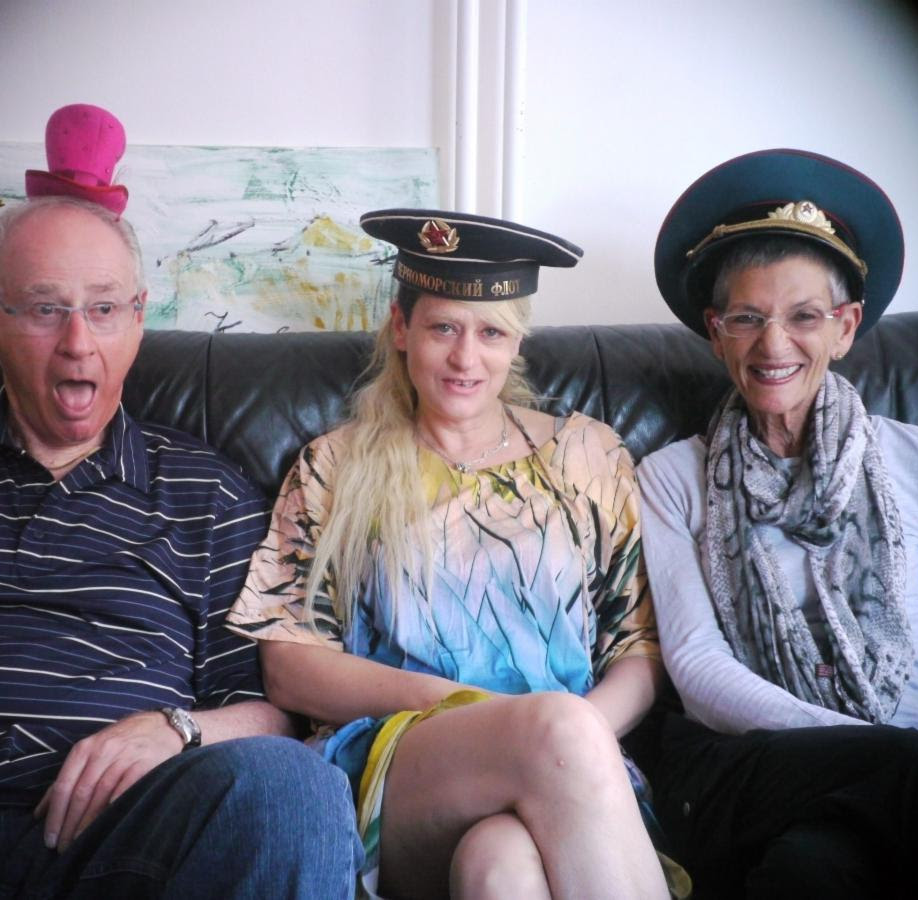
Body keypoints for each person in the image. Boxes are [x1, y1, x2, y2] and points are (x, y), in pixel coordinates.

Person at [0, 189, 362, 897]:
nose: (78, 342)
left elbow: (272, 712)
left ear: (138, 318)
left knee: (295, 786)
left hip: (119, 840)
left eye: (103, 309)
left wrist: (176, 730)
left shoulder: (210, 496)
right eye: (45, 309)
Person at [227, 209, 689, 899]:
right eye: (443, 327)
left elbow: (642, 646)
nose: (466, 357)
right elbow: (289, 665)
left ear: (517, 343)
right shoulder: (337, 465)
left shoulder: (586, 455)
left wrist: (574, 743)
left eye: (491, 333)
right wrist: (470, 708)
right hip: (404, 765)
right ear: (401, 329)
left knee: (501, 871)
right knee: (552, 728)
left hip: (574, 768)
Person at [636, 147, 918, 897]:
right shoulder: (670, 478)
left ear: (844, 327)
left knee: (814, 870)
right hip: (746, 767)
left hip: (884, 791)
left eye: (804, 317)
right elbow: (703, 676)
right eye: (747, 318)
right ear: (715, 332)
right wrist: (898, 750)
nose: (774, 346)